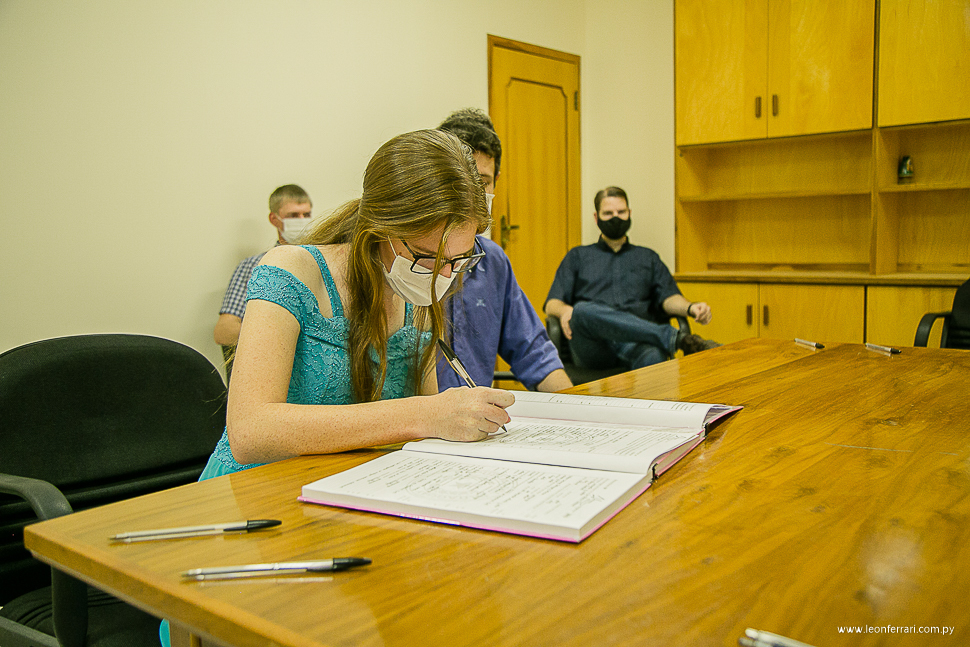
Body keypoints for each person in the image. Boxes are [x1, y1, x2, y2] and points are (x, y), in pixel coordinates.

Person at [159, 130, 515, 647]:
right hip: (251, 522)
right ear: (381, 229)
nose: (443, 278)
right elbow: (250, 431)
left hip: (346, 516)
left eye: (458, 261)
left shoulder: (416, 295)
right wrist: (426, 415)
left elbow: (425, 437)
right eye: (428, 258)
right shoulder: (291, 272)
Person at [436, 108, 572, 392]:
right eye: (461, 181)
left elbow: (534, 353)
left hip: (478, 416)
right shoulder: (407, 262)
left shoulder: (493, 262)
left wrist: (578, 406)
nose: (471, 194)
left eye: (482, 182)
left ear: (497, 180)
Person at [545, 186, 719, 371]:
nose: (616, 217)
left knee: (655, 356)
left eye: (621, 212)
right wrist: (564, 311)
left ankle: (673, 340)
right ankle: (677, 338)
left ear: (629, 213)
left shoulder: (648, 257)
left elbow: (669, 297)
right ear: (596, 218)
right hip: (595, 346)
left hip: (638, 343)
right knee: (581, 310)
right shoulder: (577, 256)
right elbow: (551, 303)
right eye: (608, 213)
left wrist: (690, 307)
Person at [213, 184, 313, 349]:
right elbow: (224, 332)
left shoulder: (321, 261)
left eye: (307, 215)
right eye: (293, 216)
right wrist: (278, 335)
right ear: (274, 219)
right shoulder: (254, 266)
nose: (302, 221)